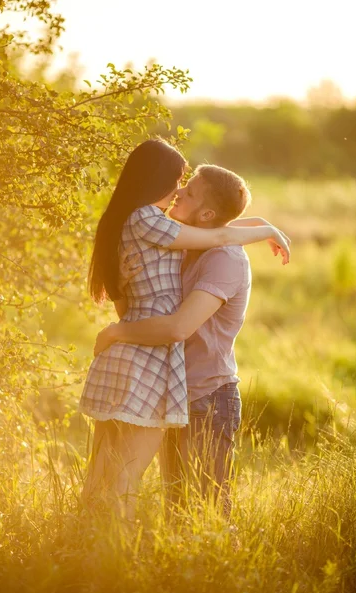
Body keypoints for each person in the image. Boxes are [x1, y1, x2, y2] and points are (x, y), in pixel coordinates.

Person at [80, 139, 290, 520]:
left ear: (207, 212)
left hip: (207, 397)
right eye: (180, 184)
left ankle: (218, 578)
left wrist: (115, 333)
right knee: (177, 512)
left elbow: (178, 326)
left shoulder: (224, 259)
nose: (178, 193)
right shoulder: (177, 242)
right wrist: (124, 284)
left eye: (188, 191)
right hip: (171, 390)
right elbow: (217, 228)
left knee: (206, 515)